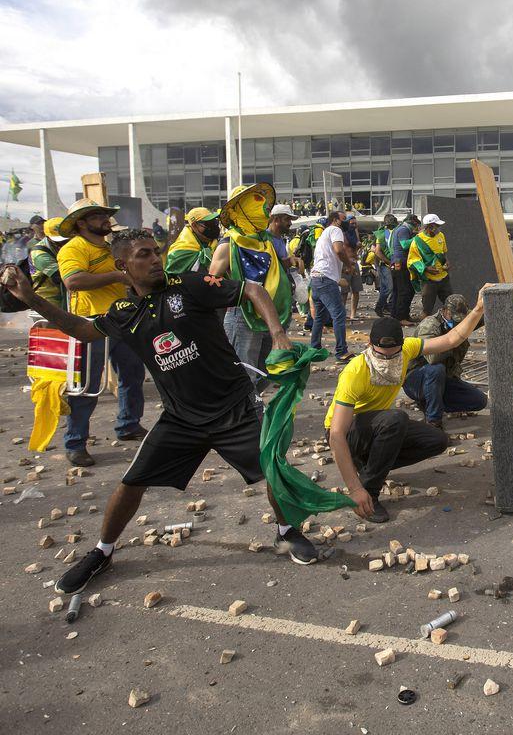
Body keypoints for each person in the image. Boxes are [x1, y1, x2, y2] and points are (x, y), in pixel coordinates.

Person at [3, 230, 324, 595]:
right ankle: (103, 552)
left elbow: (252, 289)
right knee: (130, 483)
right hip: (181, 418)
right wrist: (30, 297)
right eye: (144, 254)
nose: (155, 259)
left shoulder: (189, 284)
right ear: (123, 265)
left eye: (156, 252)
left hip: (233, 407)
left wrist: (279, 333)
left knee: (273, 470)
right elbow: (80, 329)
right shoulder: (124, 312)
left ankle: (286, 532)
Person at [325, 293, 489, 523]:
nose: (388, 361)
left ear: (402, 347)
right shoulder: (355, 372)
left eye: (394, 355)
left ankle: (369, 466)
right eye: (382, 355)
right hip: (349, 433)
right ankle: (369, 492)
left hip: (378, 427)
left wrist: (479, 308)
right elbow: (336, 434)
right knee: (395, 419)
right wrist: (354, 489)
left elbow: (452, 339)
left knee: (437, 440)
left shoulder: (409, 349)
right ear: (370, 345)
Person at [56, 199, 146, 466]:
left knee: (132, 373)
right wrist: (117, 278)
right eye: (98, 216)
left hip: (120, 319)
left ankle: (129, 424)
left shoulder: (108, 247)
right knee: (87, 385)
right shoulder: (75, 248)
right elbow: (73, 280)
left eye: (106, 215)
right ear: (81, 223)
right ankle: (75, 442)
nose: (106, 220)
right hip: (90, 323)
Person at [209, 184, 293, 395]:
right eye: (256, 202)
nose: (264, 208)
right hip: (242, 316)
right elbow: (212, 282)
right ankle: (246, 417)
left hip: (268, 315)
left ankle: (247, 406)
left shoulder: (264, 242)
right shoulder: (229, 242)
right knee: (245, 374)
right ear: (242, 209)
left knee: (267, 370)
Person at [403, 294, 487, 430]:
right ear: (445, 311)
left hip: (443, 379)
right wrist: (454, 338)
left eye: (462, 320)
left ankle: (432, 403)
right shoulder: (429, 325)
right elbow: (432, 358)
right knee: (436, 369)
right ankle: (433, 422)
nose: (459, 323)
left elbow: (481, 316)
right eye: (455, 319)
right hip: (417, 378)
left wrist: (486, 301)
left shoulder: (461, 318)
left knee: (479, 401)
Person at [308, 210, 354, 361]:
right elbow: (339, 250)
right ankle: (341, 352)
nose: (346, 221)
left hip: (316, 278)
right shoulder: (335, 230)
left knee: (319, 317)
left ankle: (314, 348)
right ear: (335, 220)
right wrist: (348, 265)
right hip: (325, 279)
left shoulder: (324, 234)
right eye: (344, 219)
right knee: (339, 314)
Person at [407, 213, 452, 316]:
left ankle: (451, 329)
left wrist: (447, 262)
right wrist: (426, 269)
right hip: (429, 281)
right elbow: (412, 261)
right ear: (430, 227)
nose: (439, 228)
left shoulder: (441, 236)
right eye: (437, 226)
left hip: (444, 278)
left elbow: (443, 253)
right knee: (427, 309)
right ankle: (424, 330)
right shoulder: (418, 240)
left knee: (451, 305)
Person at [165, 207, 220, 275]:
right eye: (208, 223)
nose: (213, 226)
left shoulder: (216, 244)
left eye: (214, 222)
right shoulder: (179, 251)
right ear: (194, 225)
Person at [29, 217, 70, 307]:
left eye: (66, 240)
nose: (64, 243)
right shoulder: (39, 254)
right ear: (48, 236)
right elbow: (61, 277)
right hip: (49, 301)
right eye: (60, 241)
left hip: (65, 296)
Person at [388, 213, 419, 325]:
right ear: (412, 222)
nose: (416, 228)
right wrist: (417, 237)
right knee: (405, 290)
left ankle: (397, 315)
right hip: (401, 262)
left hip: (397, 263)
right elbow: (405, 245)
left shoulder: (401, 229)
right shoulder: (403, 230)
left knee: (399, 291)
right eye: (415, 225)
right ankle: (401, 317)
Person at [371, 214, 397, 317]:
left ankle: (387, 306)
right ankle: (379, 306)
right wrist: (388, 261)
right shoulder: (381, 234)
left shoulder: (393, 232)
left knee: (389, 287)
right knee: (388, 287)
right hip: (383, 264)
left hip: (390, 263)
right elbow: (376, 250)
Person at [339, 212, 363, 320]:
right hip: (345, 263)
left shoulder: (354, 233)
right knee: (344, 291)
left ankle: (353, 314)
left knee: (356, 289)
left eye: (355, 224)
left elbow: (357, 244)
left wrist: (356, 230)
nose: (354, 226)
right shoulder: (343, 234)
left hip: (354, 261)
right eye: (352, 224)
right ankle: (342, 313)